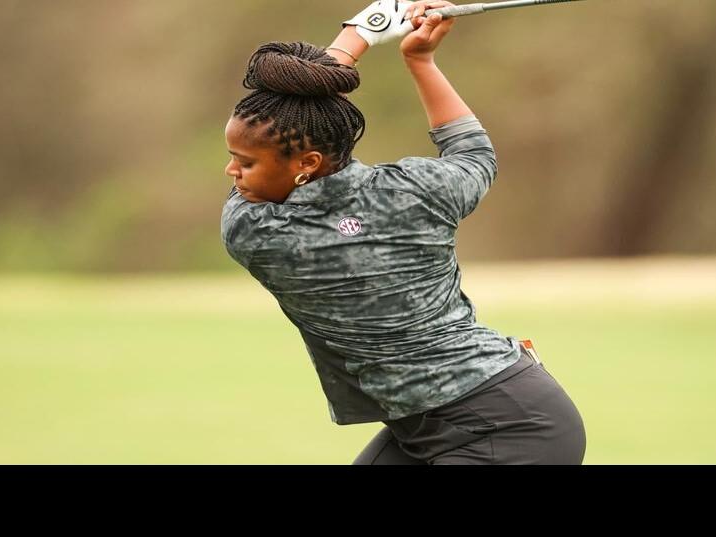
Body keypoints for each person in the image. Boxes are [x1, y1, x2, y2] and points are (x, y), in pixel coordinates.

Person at [221, 0, 586, 464]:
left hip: (511, 426)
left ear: (307, 164)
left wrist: (361, 34)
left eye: (245, 161)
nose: (231, 170)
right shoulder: (417, 191)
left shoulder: (254, 230)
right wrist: (417, 60)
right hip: (450, 420)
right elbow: (473, 155)